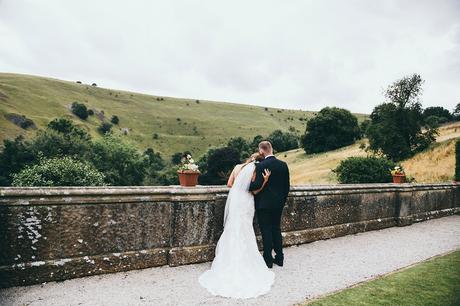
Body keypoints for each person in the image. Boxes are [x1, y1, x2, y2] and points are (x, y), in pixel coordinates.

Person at [198, 153, 275, 299]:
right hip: (246, 201)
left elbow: (229, 184)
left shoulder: (237, 167)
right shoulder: (254, 170)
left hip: (235, 200)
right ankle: (245, 260)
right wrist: (264, 181)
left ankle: (227, 258)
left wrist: (238, 189)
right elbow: (254, 190)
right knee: (245, 229)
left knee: (233, 227)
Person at [249, 141, 290, 268]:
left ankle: (268, 260)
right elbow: (286, 187)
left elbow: (255, 186)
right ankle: (280, 258)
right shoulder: (283, 165)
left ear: (261, 151)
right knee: (276, 229)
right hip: (278, 204)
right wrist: (282, 201)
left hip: (264, 204)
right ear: (271, 149)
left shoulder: (261, 165)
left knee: (266, 230)